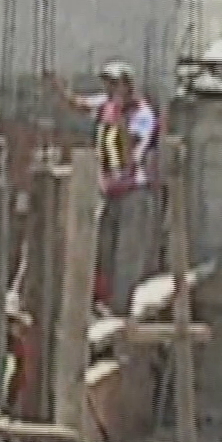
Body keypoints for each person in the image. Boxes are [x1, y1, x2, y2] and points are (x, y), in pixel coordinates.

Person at [47, 61, 161, 316]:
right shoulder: (106, 105)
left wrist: (118, 117)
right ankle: (101, 300)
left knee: (127, 252)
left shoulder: (142, 114)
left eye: (114, 84)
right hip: (110, 190)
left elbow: (130, 149)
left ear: (128, 86)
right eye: (107, 84)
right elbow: (80, 105)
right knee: (103, 247)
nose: (109, 89)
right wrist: (60, 90)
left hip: (134, 190)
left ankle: (121, 307)